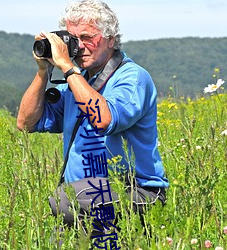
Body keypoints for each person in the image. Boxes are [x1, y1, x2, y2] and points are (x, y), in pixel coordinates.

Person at [17, 0, 169, 247]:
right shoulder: (76, 83)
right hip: (85, 201)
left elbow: (103, 120)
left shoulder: (131, 77)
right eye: (72, 39)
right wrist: (43, 71)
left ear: (110, 39)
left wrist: (67, 67)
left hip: (135, 193)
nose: (79, 47)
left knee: (65, 200)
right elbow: (26, 122)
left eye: (87, 37)